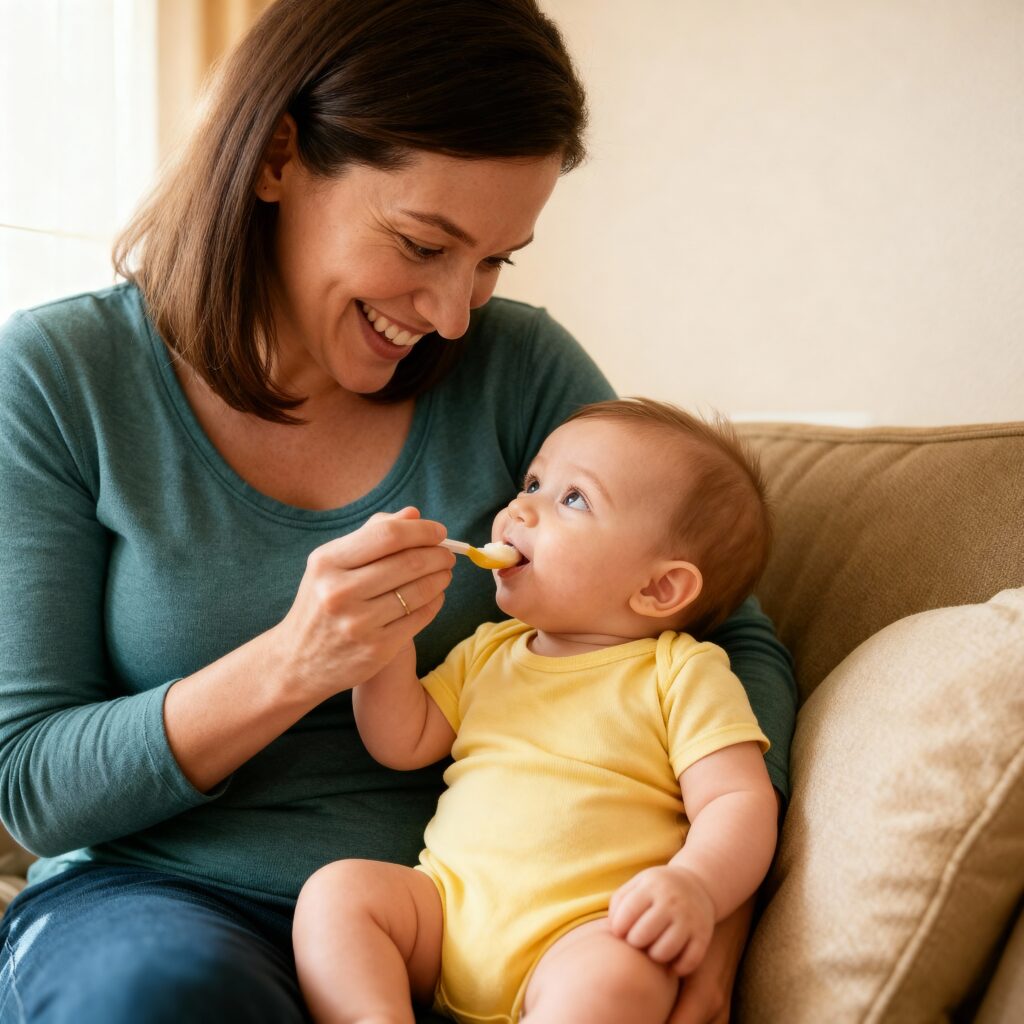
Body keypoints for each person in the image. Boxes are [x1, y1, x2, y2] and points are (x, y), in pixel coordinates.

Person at [0, 2, 796, 1022]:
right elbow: (30, 780)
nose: (455, 314)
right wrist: (296, 659)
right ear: (278, 158)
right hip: (159, 904)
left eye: (497, 259)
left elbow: (732, 641)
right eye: (424, 243)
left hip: (472, 930)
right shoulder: (62, 380)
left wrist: (707, 907)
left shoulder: (519, 370)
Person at [292, 398, 779, 1024]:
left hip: (584, 935)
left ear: (659, 588)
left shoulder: (679, 672)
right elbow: (401, 739)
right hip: (444, 917)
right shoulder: (488, 652)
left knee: (618, 980)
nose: (520, 507)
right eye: (533, 483)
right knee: (336, 895)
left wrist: (696, 887)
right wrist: (386, 642)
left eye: (572, 499)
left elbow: (736, 802)